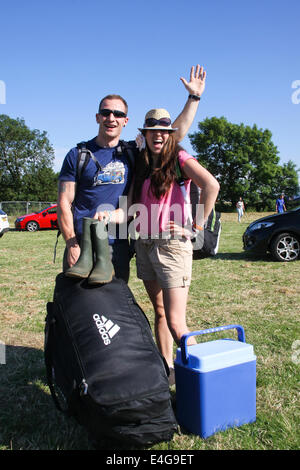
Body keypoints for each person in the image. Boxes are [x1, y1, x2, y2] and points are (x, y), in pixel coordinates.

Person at [95, 108, 220, 382]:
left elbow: (211, 185)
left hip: (172, 246)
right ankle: (167, 372)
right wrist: (107, 214)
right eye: (153, 131)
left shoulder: (178, 158)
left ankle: (207, 381)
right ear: (145, 135)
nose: (158, 135)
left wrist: (195, 226)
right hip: (144, 246)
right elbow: (128, 210)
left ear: (169, 135)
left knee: (176, 322)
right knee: (160, 312)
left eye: (164, 131)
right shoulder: (141, 165)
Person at [57, 65, 207, 283]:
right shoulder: (78, 155)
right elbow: (64, 203)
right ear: (97, 117)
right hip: (81, 244)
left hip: (117, 245)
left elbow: (170, 136)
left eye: (118, 114)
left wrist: (194, 97)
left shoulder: (133, 153)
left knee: (113, 311)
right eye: (106, 113)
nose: (111, 118)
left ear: (125, 120)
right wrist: (71, 243)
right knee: (75, 310)